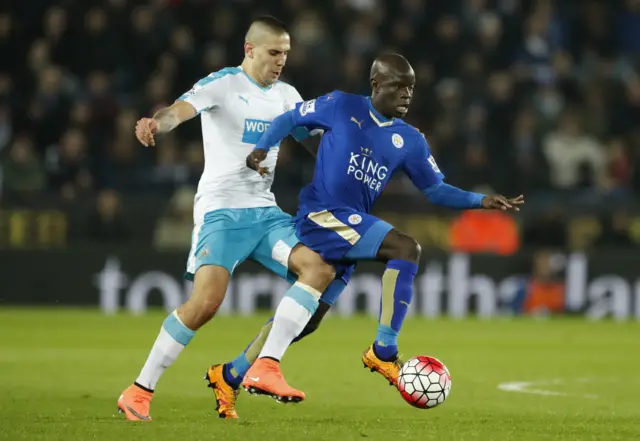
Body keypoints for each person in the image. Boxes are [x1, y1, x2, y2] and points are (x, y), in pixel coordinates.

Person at [239, 53, 524, 401]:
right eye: (399, 86)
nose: (407, 95)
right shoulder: (341, 105)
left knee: (309, 319)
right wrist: (260, 148)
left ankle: (232, 372)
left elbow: (435, 189)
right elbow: (288, 118)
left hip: (348, 225)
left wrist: (481, 201)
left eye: (412, 89)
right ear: (375, 85)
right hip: (322, 215)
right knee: (405, 248)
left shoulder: (410, 139)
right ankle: (383, 351)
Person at [117, 16, 352, 422]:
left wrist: (346, 165)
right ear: (250, 49)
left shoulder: (287, 96)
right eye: (274, 52)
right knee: (206, 303)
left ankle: (266, 366)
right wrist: (158, 122)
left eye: (286, 54)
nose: (281, 61)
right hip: (221, 210)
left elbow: (314, 143)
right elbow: (180, 110)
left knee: (318, 268)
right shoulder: (223, 83)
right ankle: (139, 390)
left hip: (264, 212)